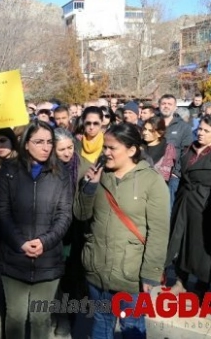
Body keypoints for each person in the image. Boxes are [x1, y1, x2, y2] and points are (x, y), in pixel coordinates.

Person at [76, 123, 170, 339]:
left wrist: (151, 274)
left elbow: (159, 231)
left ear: (131, 150)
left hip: (132, 274)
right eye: (104, 147)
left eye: (112, 148)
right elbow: (81, 215)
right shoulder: (99, 174)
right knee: (101, 321)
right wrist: (89, 187)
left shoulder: (151, 181)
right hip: (97, 266)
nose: (106, 153)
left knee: (132, 325)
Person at [0, 120, 72, 339]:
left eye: (49, 142)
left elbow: (65, 215)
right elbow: (2, 211)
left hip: (48, 260)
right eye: (39, 142)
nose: (46, 147)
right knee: (16, 318)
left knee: (40, 318)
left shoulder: (61, 174)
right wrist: (20, 242)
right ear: (26, 144)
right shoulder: (9, 171)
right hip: (14, 256)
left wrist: (45, 242)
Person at [167, 114, 211, 298]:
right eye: (200, 129)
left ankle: (201, 286)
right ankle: (180, 281)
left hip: (206, 207)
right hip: (184, 202)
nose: (201, 133)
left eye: (206, 131)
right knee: (181, 243)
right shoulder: (190, 149)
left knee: (202, 249)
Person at [53, 127, 91, 336]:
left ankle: (67, 318)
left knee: (71, 277)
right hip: (52, 230)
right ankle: (58, 314)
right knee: (56, 277)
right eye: (61, 150)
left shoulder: (85, 168)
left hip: (75, 230)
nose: (67, 153)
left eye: (70, 148)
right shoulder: (45, 168)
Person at [159, 94, 194, 210]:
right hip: (152, 172)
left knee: (168, 209)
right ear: (159, 105)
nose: (166, 106)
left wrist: (177, 171)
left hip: (172, 176)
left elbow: (187, 151)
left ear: (175, 107)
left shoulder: (184, 127)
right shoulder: (153, 124)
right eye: (163, 104)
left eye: (170, 104)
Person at [142, 116, 177, 183]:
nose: (145, 133)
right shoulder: (139, 146)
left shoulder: (168, 149)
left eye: (150, 131)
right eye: (145, 129)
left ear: (159, 133)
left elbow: (165, 176)